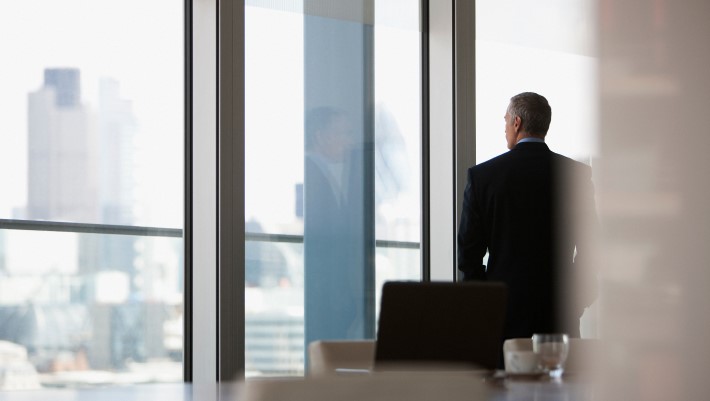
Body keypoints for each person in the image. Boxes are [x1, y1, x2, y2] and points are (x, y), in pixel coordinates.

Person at [457, 92, 597, 341]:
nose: (505, 129)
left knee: (505, 379)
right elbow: (592, 249)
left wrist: (487, 305)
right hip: (559, 314)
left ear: (517, 123)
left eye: (505, 121)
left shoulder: (483, 177)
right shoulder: (576, 175)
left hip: (504, 317)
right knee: (560, 379)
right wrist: (576, 301)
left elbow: (468, 256)